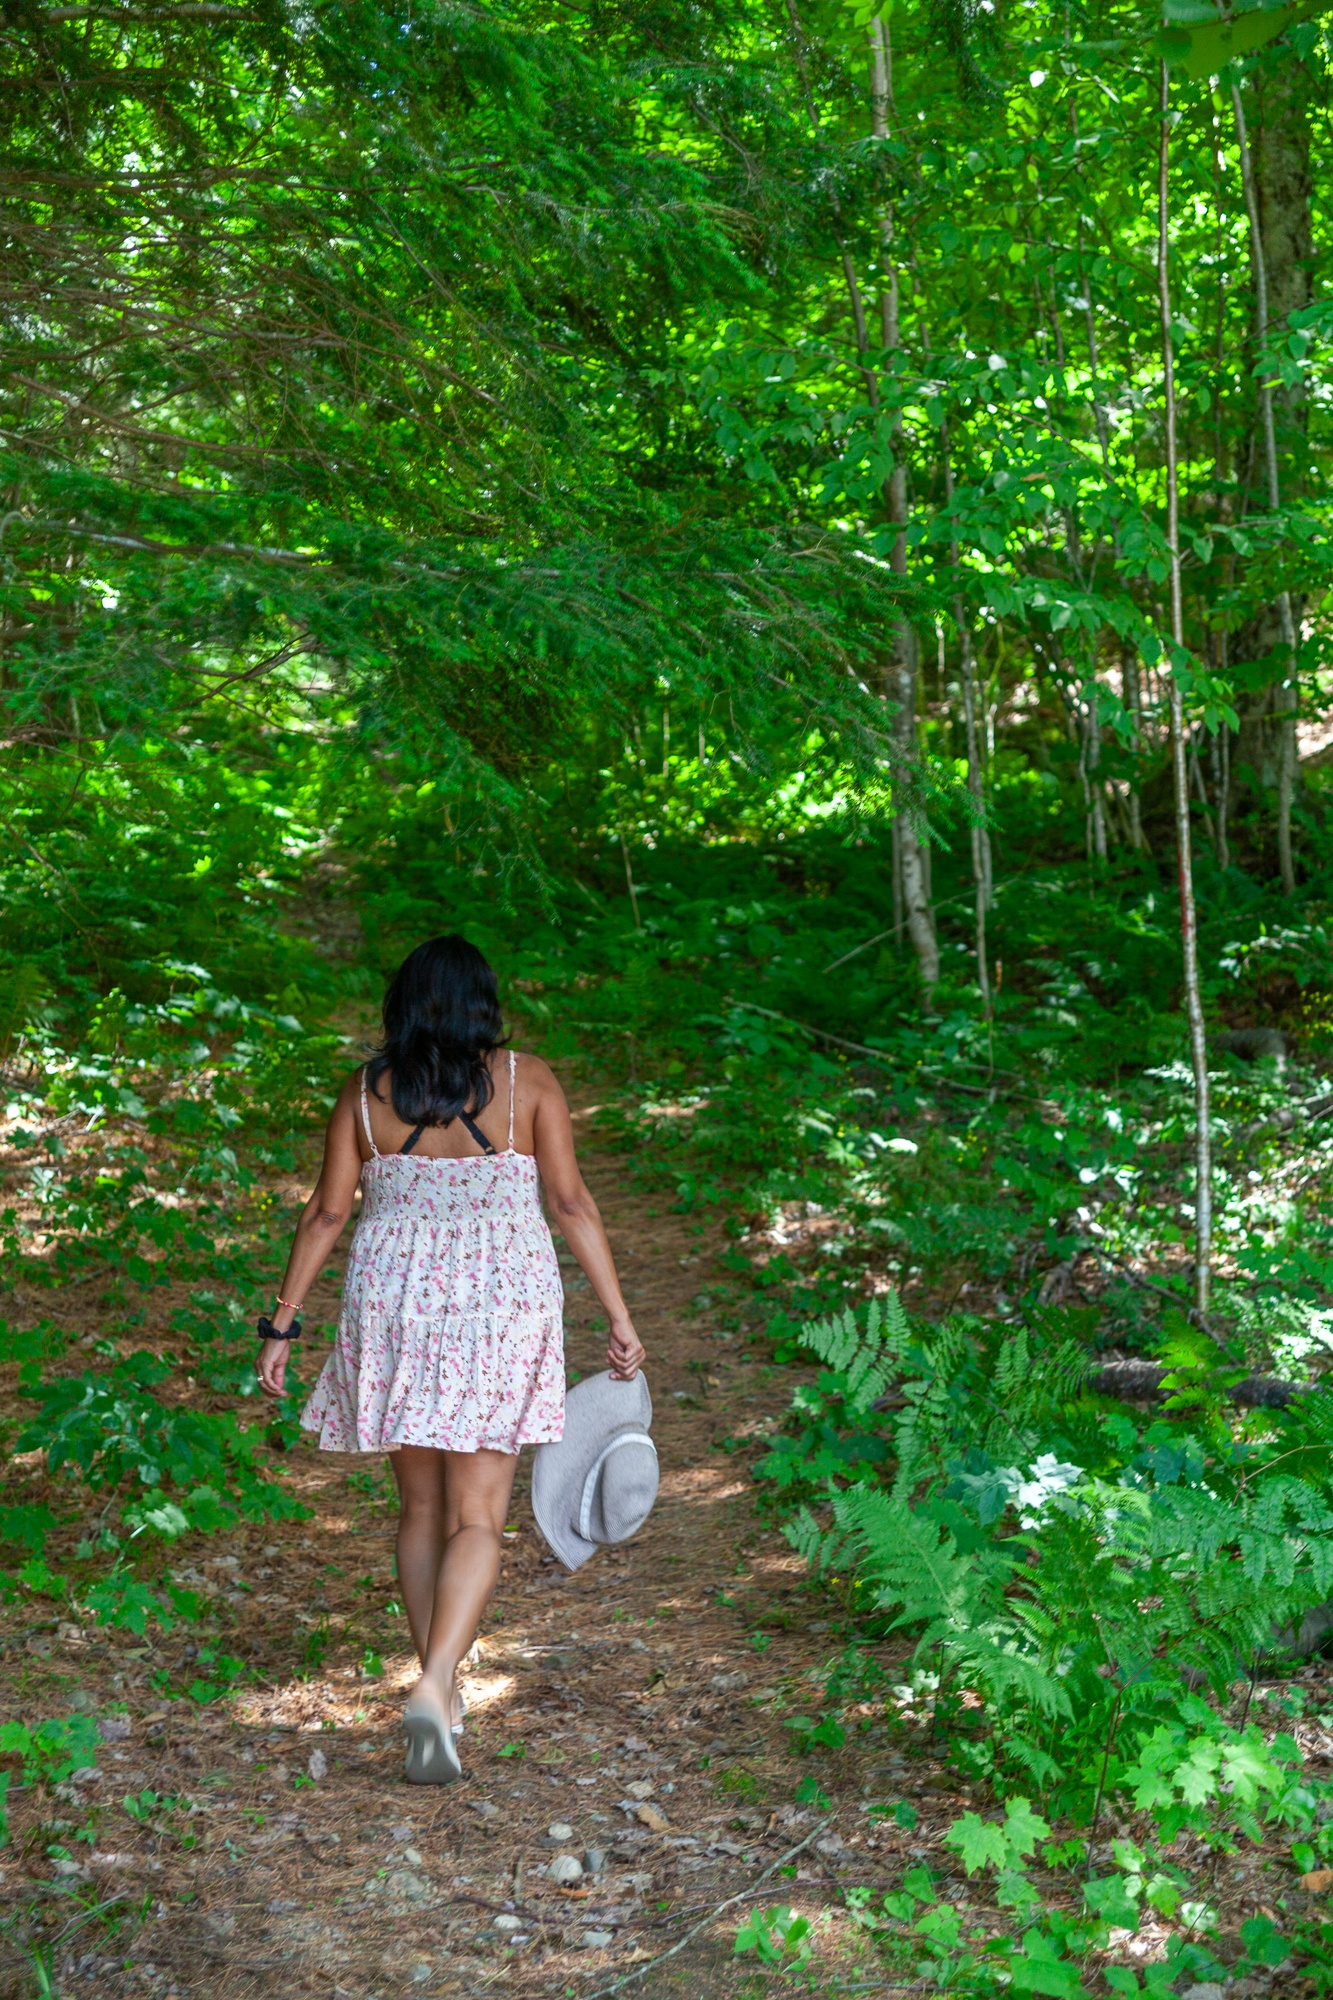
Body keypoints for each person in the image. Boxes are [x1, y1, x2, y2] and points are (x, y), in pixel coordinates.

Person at [256, 934, 645, 1783]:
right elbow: (570, 1203)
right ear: (482, 1002)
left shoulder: (365, 1094)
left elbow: (325, 1216)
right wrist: (618, 1316)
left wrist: (282, 1323)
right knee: (478, 1518)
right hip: (501, 1308)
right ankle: (436, 1685)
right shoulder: (525, 1083)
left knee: (421, 1513)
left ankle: (440, 1686)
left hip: (395, 1304)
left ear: (403, 1004)